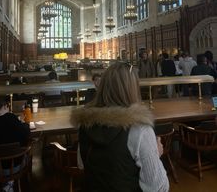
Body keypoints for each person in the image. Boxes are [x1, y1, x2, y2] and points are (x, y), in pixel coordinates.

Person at [71, 62, 169, 192]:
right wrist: (155, 154)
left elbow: (81, 164)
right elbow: (158, 188)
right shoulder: (139, 130)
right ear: (132, 89)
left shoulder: (85, 123)